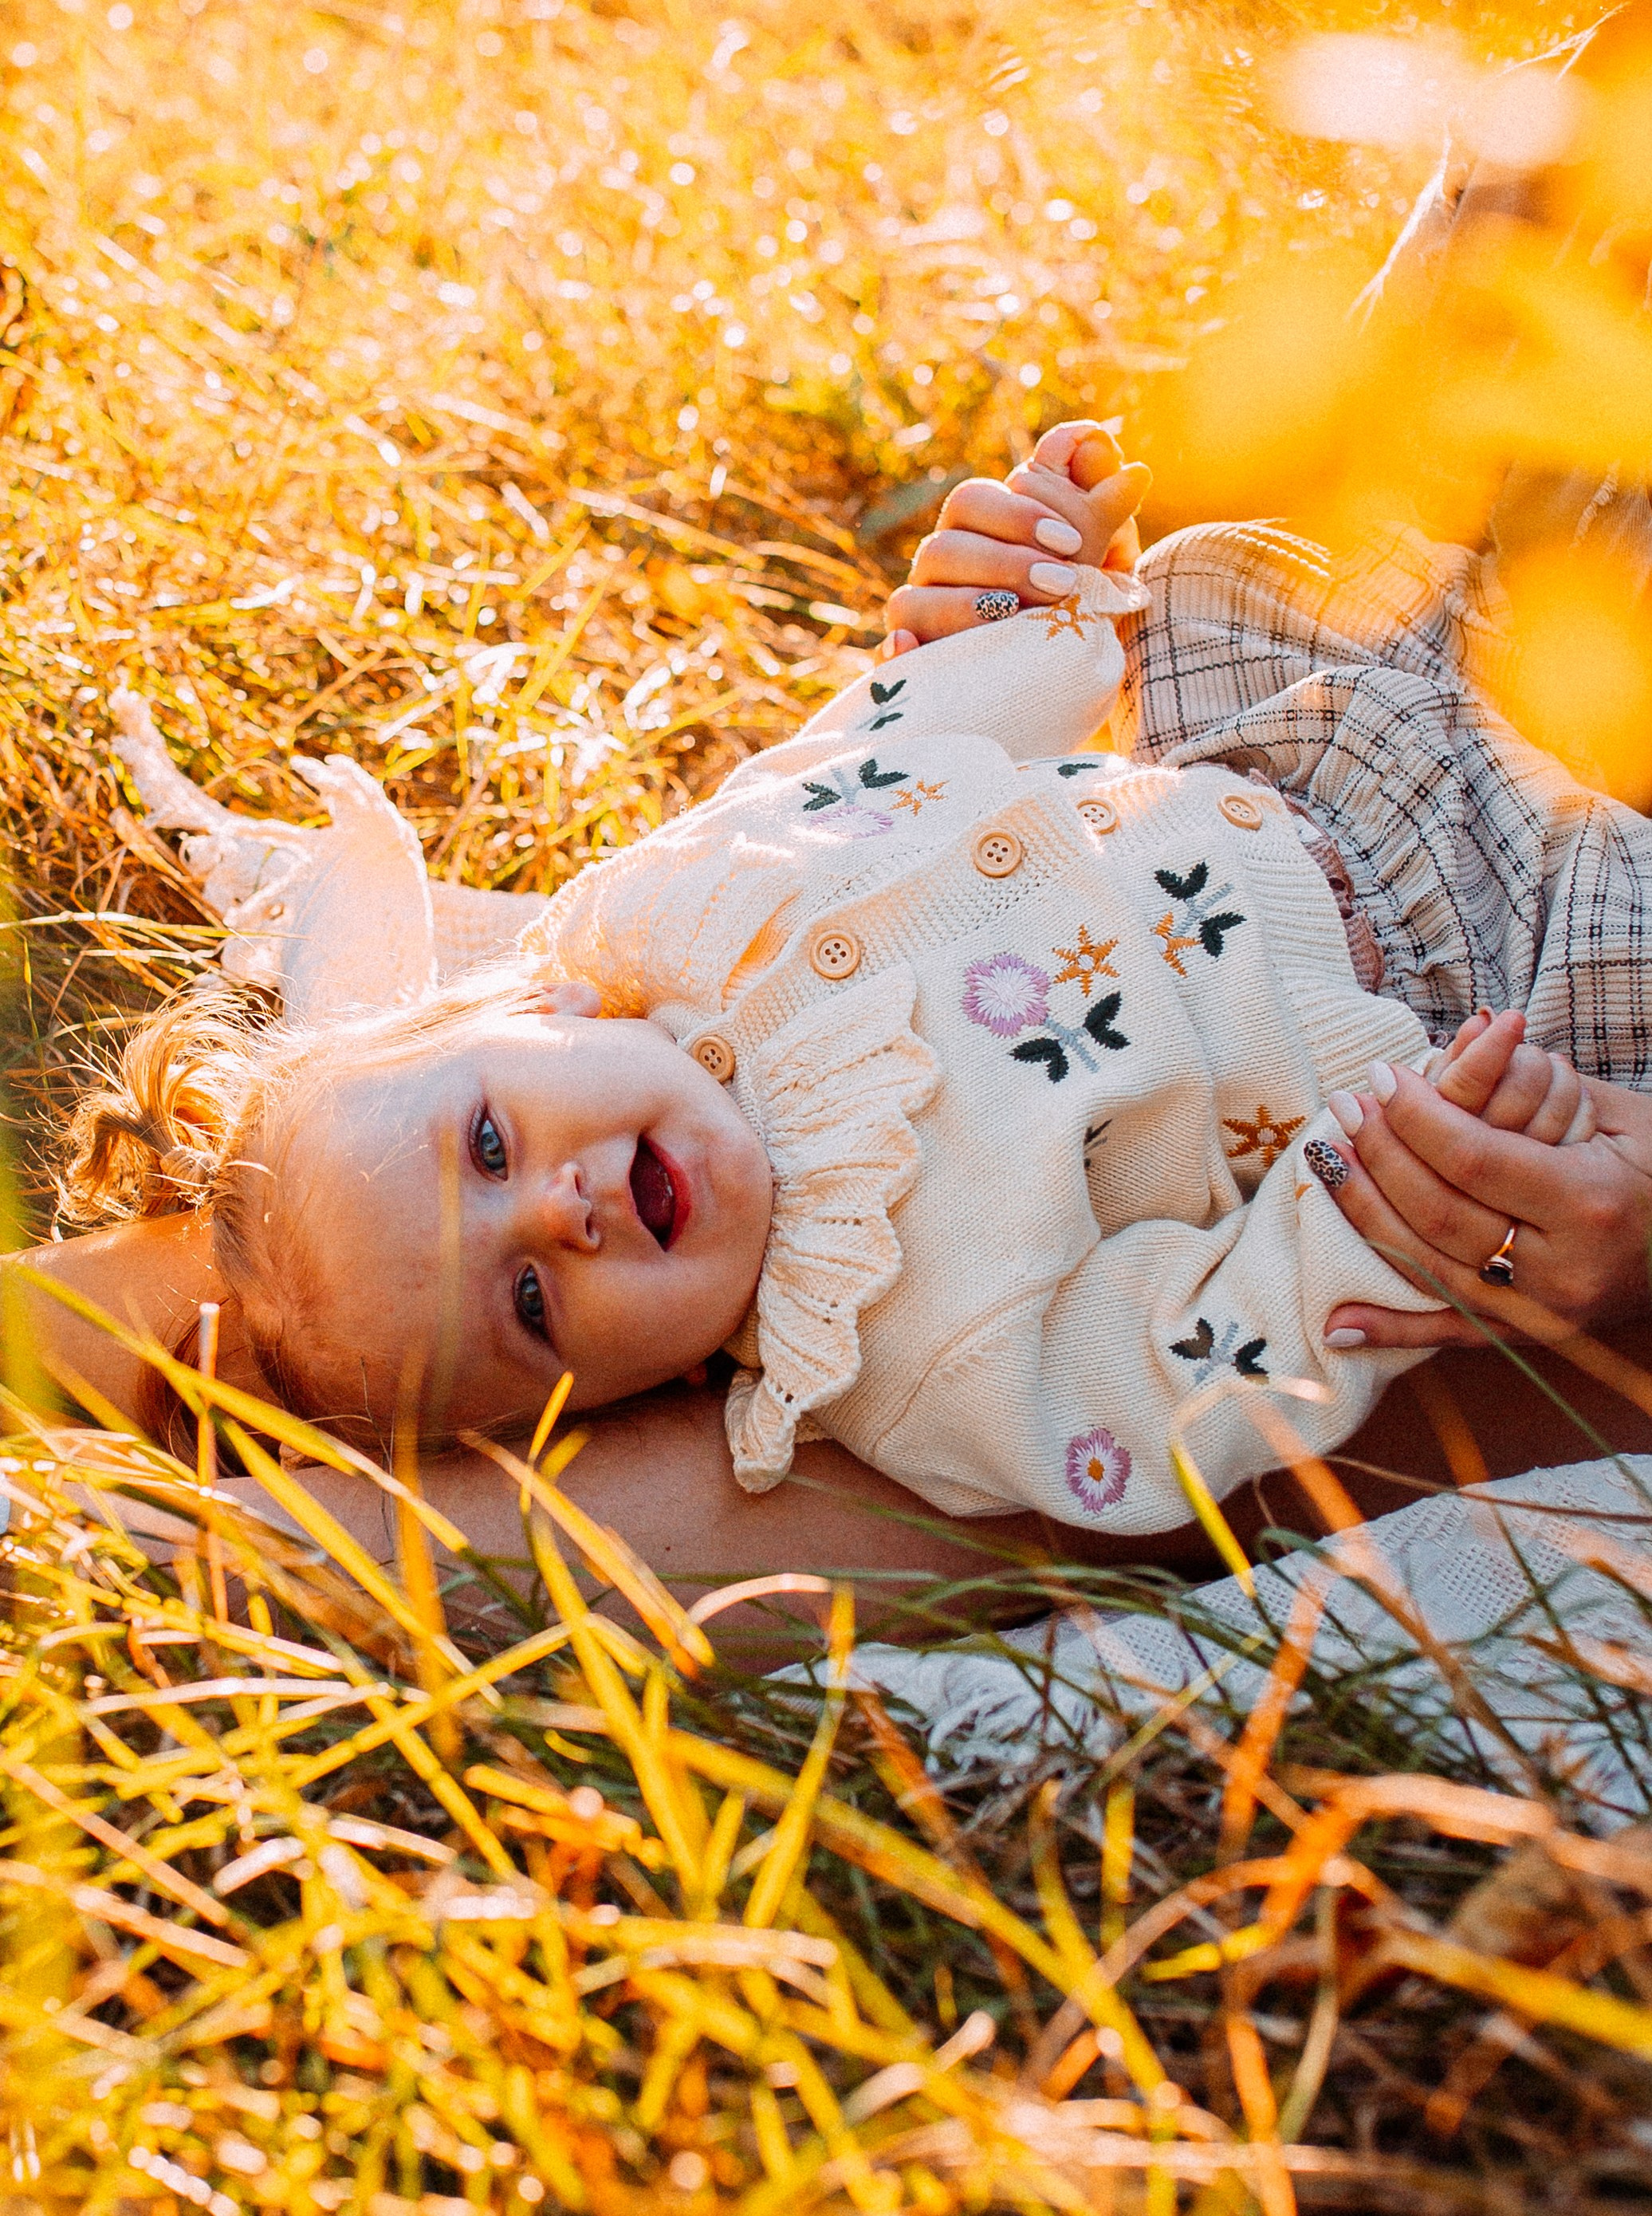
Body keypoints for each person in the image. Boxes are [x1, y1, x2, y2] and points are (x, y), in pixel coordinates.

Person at [38, 419, 1652, 1580]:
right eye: (528, 1304)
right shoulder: (918, 1367)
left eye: (489, 1143)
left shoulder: (685, 907)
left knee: (1289, 525)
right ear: (630, 1398)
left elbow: (896, 740)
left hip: (1316, 734)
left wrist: (1031, 606)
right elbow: (1179, 1372)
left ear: (543, 1006)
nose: (560, 1212)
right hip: (1506, 966)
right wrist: (1378, 1221)